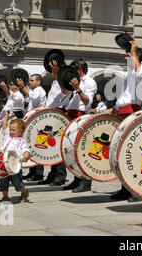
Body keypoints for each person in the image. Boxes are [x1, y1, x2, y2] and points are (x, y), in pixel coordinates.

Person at [106, 40, 142, 202]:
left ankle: (136, 191)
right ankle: (125, 189)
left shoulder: (141, 72)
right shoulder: (128, 76)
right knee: (120, 155)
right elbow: (118, 104)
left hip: (131, 114)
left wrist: (134, 51)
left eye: (128, 56)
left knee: (131, 154)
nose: (125, 59)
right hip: (122, 114)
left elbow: (138, 70)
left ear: (136, 57)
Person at [61, 58, 97, 193]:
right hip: (72, 115)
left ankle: (86, 181)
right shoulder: (76, 82)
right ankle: (77, 178)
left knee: (80, 150)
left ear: (79, 70)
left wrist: (78, 89)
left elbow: (88, 102)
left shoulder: (89, 82)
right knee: (71, 150)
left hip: (80, 115)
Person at [0, 110, 30, 205]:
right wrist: (6, 116)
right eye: (10, 129)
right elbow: (4, 126)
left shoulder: (21, 141)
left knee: (17, 182)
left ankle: (24, 191)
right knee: (3, 180)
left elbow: (26, 150)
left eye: (13, 130)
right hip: (5, 163)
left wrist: (26, 156)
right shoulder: (8, 137)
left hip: (15, 165)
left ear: (21, 132)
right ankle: (5, 197)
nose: (10, 131)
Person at [17, 74, 47, 181]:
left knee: (36, 147)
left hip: (37, 121)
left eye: (32, 80)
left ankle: (38, 173)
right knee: (30, 146)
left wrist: (22, 87)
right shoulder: (35, 90)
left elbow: (33, 97)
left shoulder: (39, 90)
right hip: (33, 120)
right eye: (29, 80)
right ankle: (32, 172)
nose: (29, 82)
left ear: (38, 82)